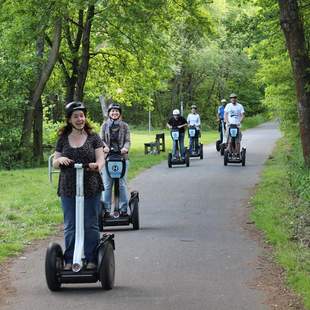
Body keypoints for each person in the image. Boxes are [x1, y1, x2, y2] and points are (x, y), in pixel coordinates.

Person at [53, 101, 104, 271]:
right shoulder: (62, 138)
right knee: (70, 224)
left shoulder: (94, 137)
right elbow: (55, 161)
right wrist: (59, 160)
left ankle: (91, 259)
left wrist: (97, 166)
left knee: (90, 223)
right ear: (69, 119)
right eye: (75, 116)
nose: (79, 119)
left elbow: (101, 159)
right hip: (68, 186)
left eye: (81, 115)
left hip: (91, 185)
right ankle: (69, 260)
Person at [100, 102, 131, 218]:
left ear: (120, 113)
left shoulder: (125, 126)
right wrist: (105, 147)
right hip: (108, 159)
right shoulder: (104, 126)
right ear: (109, 113)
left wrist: (125, 148)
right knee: (107, 185)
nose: (114, 113)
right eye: (112, 111)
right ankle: (106, 210)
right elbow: (101, 140)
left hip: (122, 158)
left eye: (117, 111)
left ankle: (123, 209)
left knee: (122, 184)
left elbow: (128, 140)